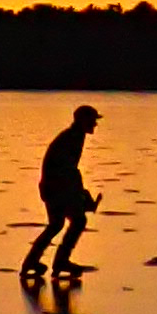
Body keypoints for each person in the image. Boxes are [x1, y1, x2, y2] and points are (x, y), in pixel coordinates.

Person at [23, 104, 102, 278]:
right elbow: (67, 170)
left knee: (56, 224)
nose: (95, 125)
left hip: (53, 186)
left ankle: (32, 262)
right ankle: (60, 262)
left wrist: (81, 194)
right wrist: (81, 195)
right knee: (78, 220)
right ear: (83, 121)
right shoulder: (72, 137)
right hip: (57, 187)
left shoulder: (74, 136)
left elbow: (69, 170)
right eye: (92, 120)